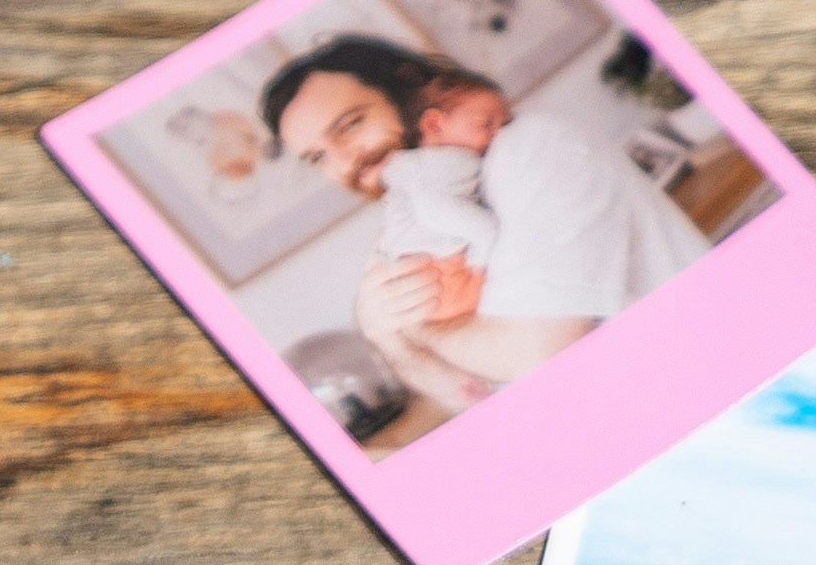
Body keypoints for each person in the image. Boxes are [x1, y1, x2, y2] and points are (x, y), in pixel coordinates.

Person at [260, 32, 706, 422]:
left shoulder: (532, 149)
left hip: (696, 400)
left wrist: (419, 331)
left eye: (351, 125)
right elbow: (475, 399)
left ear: (410, 86)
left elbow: (539, 358)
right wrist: (388, 341)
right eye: (318, 157)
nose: (345, 162)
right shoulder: (415, 220)